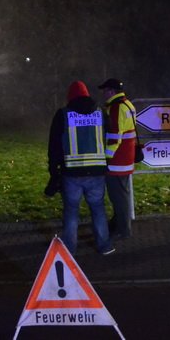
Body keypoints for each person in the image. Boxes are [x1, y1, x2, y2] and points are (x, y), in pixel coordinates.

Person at [47, 81, 114, 255]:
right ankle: (105, 245)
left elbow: (54, 146)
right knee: (98, 208)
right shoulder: (101, 113)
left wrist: (54, 172)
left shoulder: (63, 114)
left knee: (71, 211)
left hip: (71, 173)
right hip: (97, 172)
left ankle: (69, 250)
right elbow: (112, 136)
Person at [99, 78, 137, 239]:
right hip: (126, 158)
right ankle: (118, 224)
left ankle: (123, 230)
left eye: (105, 91)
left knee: (118, 197)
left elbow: (115, 137)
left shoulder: (115, 108)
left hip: (117, 161)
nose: (104, 94)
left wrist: (107, 159)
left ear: (112, 91)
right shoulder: (128, 104)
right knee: (122, 195)